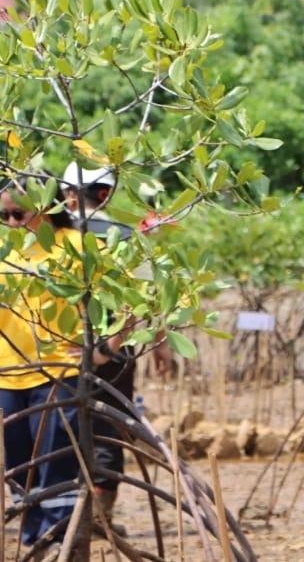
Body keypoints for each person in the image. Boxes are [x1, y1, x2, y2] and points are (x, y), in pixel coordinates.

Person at [0, 172, 111, 551]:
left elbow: (131, 299)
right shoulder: (5, 251)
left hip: (58, 375)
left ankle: (61, 543)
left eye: (20, 214)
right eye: (5, 216)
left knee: (56, 465)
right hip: (7, 377)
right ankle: (34, 543)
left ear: (47, 206)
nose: (13, 224)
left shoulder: (78, 246)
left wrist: (102, 351)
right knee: (20, 469)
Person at [62, 161, 173, 534]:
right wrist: (160, 346)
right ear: (106, 194)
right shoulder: (127, 236)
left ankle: (75, 516)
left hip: (61, 347)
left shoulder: (54, 234)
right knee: (109, 432)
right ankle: (97, 517)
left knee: (63, 430)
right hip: (116, 348)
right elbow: (147, 298)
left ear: (68, 194)